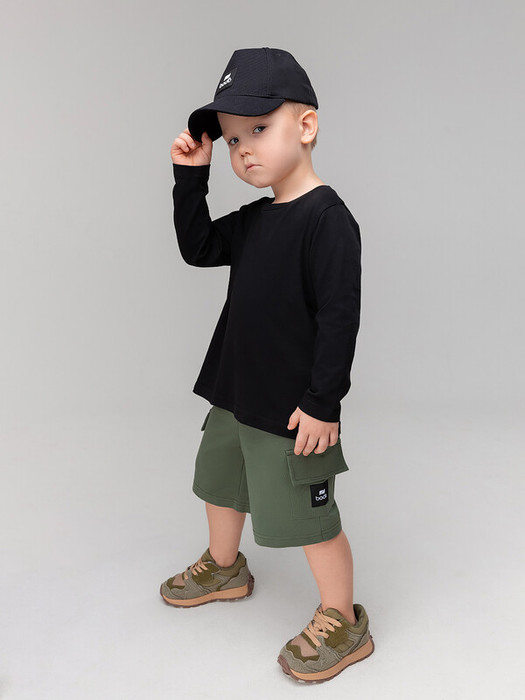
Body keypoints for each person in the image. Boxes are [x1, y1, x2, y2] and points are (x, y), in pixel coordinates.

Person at [159, 47, 374, 684]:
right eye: (231, 140)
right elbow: (198, 247)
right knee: (219, 483)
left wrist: (323, 403)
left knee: (309, 517)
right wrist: (190, 177)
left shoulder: (329, 221)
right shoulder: (257, 219)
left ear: (305, 126)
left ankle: (343, 618)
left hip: (292, 407)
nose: (242, 149)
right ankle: (225, 566)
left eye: (257, 128)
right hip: (234, 391)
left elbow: (339, 319)